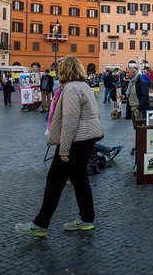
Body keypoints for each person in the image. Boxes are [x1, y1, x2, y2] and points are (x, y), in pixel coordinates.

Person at [15, 57, 103, 237]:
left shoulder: (71, 89)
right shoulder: (84, 85)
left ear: (65, 71)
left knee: (54, 180)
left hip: (76, 140)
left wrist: (63, 149)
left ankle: (40, 224)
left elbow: (70, 121)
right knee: (79, 179)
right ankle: (86, 219)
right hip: (88, 137)